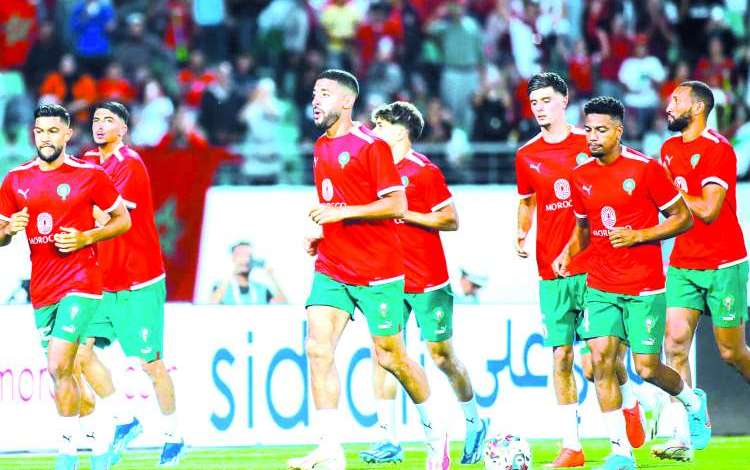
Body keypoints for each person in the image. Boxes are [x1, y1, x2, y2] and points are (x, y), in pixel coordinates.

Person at [287, 70, 449, 470]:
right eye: (314, 93)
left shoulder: (371, 145)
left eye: (325, 93)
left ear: (347, 101)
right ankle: (329, 448)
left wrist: (341, 214)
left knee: (391, 357)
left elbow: (395, 205)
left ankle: (436, 435)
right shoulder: (320, 147)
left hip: (378, 270)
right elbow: (333, 202)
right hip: (333, 267)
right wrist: (322, 232)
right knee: (317, 348)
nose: (316, 100)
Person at [552, 96, 710, 470]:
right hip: (601, 285)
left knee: (646, 368)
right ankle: (621, 452)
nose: (593, 136)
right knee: (600, 363)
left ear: (619, 131)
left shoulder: (645, 169)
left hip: (643, 287)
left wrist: (639, 235)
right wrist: (566, 253)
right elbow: (583, 228)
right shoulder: (580, 176)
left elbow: (683, 218)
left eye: (601, 130)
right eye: (588, 129)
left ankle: (693, 403)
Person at [515, 73, 645, 468]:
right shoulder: (526, 154)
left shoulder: (588, 143)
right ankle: (572, 447)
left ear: (564, 100)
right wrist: (521, 232)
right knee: (560, 358)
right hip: (550, 271)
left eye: (546, 100)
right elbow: (526, 200)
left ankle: (629, 408)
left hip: (593, 266)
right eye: (534, 102)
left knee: (596, 363)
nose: (540, 108)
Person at [0, 104, 131, 470]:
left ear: (68, 134)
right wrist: (8, 230)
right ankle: (100, 449)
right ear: (34, 134)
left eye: (53, 131)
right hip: (42, 287)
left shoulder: (89, 174)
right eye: (40, 131)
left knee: (58, 362)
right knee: (66, 373)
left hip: (81, 281)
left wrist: (87, 237)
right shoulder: (15, 180)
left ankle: (67, 454)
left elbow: (123, 219)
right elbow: (0, 236)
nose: (46, 138)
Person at [358, 101, 486, 465]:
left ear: (400, 131)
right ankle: (387, 437)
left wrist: (406, 214)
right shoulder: (373, 171)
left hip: (428, 279)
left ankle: (475, 423)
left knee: (441, 356)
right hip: (388, 278)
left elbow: (450, 219)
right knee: (383, 353)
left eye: (380, 125)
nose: (373, 132)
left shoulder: (424, 171)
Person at [78, 101, 184, 466]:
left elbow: (101, 213)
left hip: (138, 281)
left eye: (108, 120)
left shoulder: (129, 164)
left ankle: (173, 436)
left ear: (123, 128)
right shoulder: (88, 161)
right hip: (104, 281)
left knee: (151, 364)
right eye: (96, 119)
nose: (100, 125)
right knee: (79, 353)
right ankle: (125, 420)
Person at [654, 80, 749, 461]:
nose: (668, 106)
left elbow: (708, 210)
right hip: (683, 262)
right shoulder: (668, 149)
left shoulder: (718, 150)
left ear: (697, 108)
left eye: (676, 100)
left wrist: (668, 192)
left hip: (724, 262)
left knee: (731, 352)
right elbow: (667, 207)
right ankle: (684, 432)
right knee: (674, 344)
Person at [210, 240, 287, 305]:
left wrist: (272, 276)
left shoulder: (261, 288)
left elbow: (283, 303)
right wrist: (232, 271)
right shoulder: (221, 286)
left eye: (249, 255)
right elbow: (213, 303)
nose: (245, 259)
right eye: (240, 255)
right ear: (233, 258)